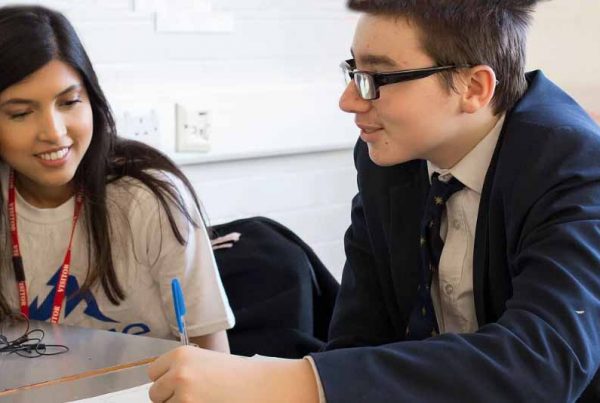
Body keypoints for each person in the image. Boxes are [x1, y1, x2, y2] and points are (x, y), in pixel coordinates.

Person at [147, 0, 600, 401]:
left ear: (474, 87)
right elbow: (359, 336)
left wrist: (286, 382)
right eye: (354, 72)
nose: (349, 100)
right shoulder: (389, 157)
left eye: (378, 78)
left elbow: (544, 359)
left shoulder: (574, 162)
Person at [0, 5, 235, 352]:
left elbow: (216, 362)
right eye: (21, 113)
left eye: (69, 102)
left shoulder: (149, 199)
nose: (54, 132)